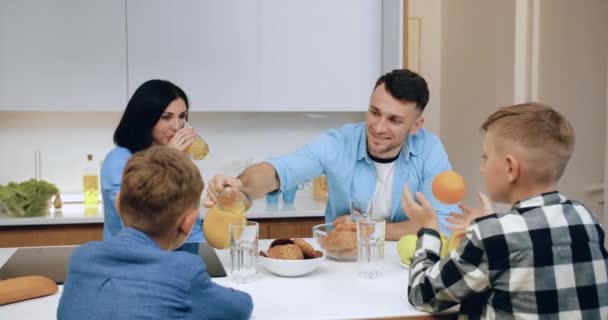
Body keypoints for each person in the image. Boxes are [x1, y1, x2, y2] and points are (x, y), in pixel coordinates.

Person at [402, 103, 608, 319]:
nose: (482, 168)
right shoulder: (587, 219)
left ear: (510, 168)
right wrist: (489, 225)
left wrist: (429, 229)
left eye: (485, 157)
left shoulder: (493, 235)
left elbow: (422, 294)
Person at [205, 69, 459, 240]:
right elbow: (280, 171)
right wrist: (240, 186)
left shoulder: (430, 150)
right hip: (342, 262)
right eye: (374, 112)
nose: (379, 127)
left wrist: (365, 231)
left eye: (394, 120)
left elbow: (441, 225)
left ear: (416, 126)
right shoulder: (338, 142)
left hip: (404, 267)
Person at [58, 146, 253, 320]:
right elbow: (241, 307)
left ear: (117, 204)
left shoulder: (82, 257)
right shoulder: (183, 272)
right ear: (188, 222)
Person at [101, 79, 202, 243]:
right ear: (145, 118)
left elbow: (190, 223)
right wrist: (168, 159)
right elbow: (137, 222)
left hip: (181, 250)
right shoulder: (119, 159)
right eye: (166, 117)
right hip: (132, 257)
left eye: (182, 116)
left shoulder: (181, 156)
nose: (177, 126)